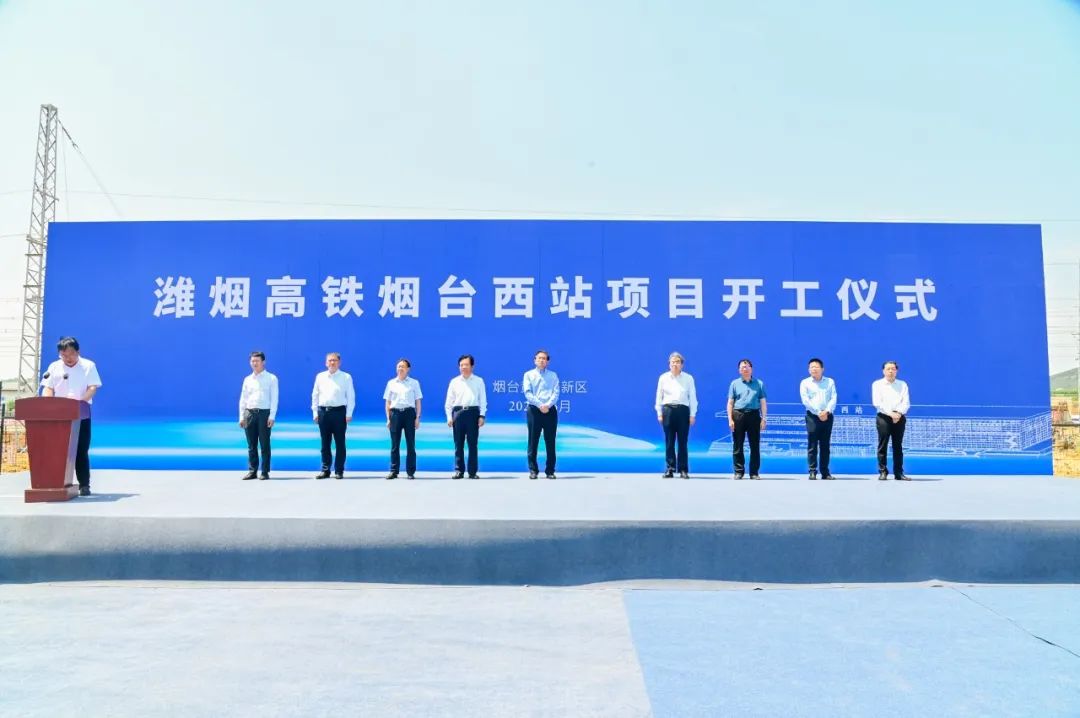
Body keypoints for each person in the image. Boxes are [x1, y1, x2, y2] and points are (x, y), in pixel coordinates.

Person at [41, 336, 102, 496]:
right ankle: (57, 482)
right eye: (64, 355)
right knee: (58, 450)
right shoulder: (54, 367)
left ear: (78, 352)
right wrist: (47, 404)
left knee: (81, 450)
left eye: (71, 354)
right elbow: (48, 388)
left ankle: (84, 484)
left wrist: (80, 403)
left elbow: (92, 388)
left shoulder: (88, 365)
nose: (68, 358)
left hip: (81, 413)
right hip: (58, 415)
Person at [311, 352, 355, 479]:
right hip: (323, 412)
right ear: (326, 363)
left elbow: (351, 396)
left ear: (339, 362)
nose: (332, 362)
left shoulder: (346, 377)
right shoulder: (320, 376)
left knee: (340, 443)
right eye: (330, 360)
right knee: (325, 443)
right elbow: (315, 395)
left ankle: (339, 470)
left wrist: (349, 413)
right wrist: (315, 412)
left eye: (334, 360)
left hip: (339, 413)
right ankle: (325, 470)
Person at [655, 352, 697, 479]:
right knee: (669, 441)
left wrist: (692, 414)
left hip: (683, 411)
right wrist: (659, 413)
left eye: (677, 362)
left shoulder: (688, 378)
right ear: (669, 364)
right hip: (668, 410)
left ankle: (683, 469)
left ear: (682, 364)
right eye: (672, 362)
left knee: (683, 442)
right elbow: (659, 396)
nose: (675, 364)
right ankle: (670, 469)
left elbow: (692, 397)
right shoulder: (663, 378)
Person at [444, 354, 486, 479]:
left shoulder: (478, 381)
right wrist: (449, 417)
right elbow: (449, 402)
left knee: (472, 444)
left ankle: (472, 472)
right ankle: (459, 470)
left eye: (466, 365)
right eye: (461, 365)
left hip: (473, 413)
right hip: (458, 413)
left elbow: (483, 400)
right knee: (458, 444)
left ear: (472, 366)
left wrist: (482, 415)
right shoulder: (454, 381)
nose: (463, 367)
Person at [239, 351, 278, 481]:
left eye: (257, 361)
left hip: (264, 414)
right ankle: (252, 471)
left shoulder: (271, 378)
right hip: (249, 413)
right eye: (252, 361)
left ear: (263, 362)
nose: (254, 363)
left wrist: (272, 416)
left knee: (265, 444)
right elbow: (243, 399)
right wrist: (241, 416)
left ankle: (265, 471)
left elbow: (274, 399)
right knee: (251, 445)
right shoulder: (247, 379)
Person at [727, 359, 767, 480]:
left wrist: (764, 418)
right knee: (738, 445)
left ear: (751, 369)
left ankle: (754, 472)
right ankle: (739, 472)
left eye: (747, 366)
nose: (745, 369)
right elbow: (730, 403)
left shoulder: (759, 384)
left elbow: (763, 402)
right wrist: (730, 419)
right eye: (742, 367)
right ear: (739, 370)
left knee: (754, 445)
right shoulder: (734, 384)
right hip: (738, 415)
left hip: (754, 415)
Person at [383, 358, 422, 480]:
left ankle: (410, 471)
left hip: (409, 414)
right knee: (395, 444)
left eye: (403, 367)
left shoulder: (414, 383)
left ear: (408, 369)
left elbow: (418, 401)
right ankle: (394, 470)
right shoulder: (391, 383)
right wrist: (388, 418)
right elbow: (388, 402)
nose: (400, 369)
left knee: (410, 444)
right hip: (395, 414)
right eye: (398, 366)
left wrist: (417, 417)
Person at [523, 349, 560, 479]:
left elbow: (556, 393)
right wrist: (540, 405)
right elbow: (528, 393)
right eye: (539, 358)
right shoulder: (528, 375)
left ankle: (550, 471)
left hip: (550, 411)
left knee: (550, 441)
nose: (542, 360)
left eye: (544, 358)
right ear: (535, 360)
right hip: (534, 410)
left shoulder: (553, 375)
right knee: (533, 441)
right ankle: (533, 470)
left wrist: (547, 405)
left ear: (547, 361)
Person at [872, 360, 910, 480]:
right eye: (888, 369)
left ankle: (899, 473)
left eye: (893, 369)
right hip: (884, 417)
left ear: (896, 371)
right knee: (882, 445)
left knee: (898, 446)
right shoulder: (877, 384)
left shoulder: (902, 384)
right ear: (883, 371)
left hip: (899, 417)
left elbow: (906, 402)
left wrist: (898, 413)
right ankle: (883, 471)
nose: (890, 371)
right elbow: (877, 402)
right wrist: (891, 414)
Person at [800, 358, 837, 480]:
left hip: (827, 416)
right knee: (812, 445)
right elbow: (806, 400)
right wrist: (818, 412)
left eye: (816, 367)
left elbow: (833, 398)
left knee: (825, 445)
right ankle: (812, 471)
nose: (813, 369)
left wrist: (827, 411)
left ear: (822, 369)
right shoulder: (805, 383)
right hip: (812, 416)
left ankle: (825, 472)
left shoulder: (830, 382)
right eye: (811, 367)